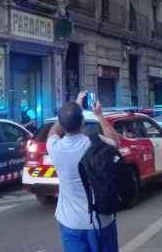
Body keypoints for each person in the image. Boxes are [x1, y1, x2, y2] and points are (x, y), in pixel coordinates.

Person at [47, 91, 121, 252]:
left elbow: (53, 132)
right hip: (101, 220)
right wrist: (99, 115)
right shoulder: (96, 142)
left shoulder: (55, 148)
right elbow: (116, 142)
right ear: (82, 121)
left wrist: (75, 105)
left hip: (70, 224)